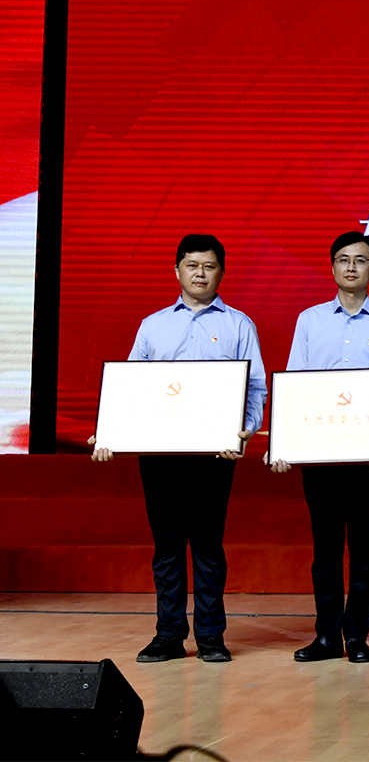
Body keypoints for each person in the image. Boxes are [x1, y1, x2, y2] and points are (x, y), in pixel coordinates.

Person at [91, 234, 267, 664]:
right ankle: (168, 636)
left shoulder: (239, 325)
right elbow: (131, 387)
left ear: (221, 272)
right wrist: (109, 431)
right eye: (192, 265)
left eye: (209, 266)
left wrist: (244, 432)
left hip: (214, 456)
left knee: (208, 546)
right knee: (167, 547)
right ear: (177, 271)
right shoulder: (153, 325)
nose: (200, 274)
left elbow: (256, 387)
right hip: (161, 455)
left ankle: (211, 637)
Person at [270, 232, 369, 664]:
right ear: (332, 267)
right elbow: (295, 382)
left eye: (360, 260)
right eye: (343, 259)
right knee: (325, 550)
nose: (351, 267)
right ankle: (327, 637)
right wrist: (285, 442)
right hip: (321, 453)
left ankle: (357, 637)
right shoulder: (310, 320)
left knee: (364, 551)